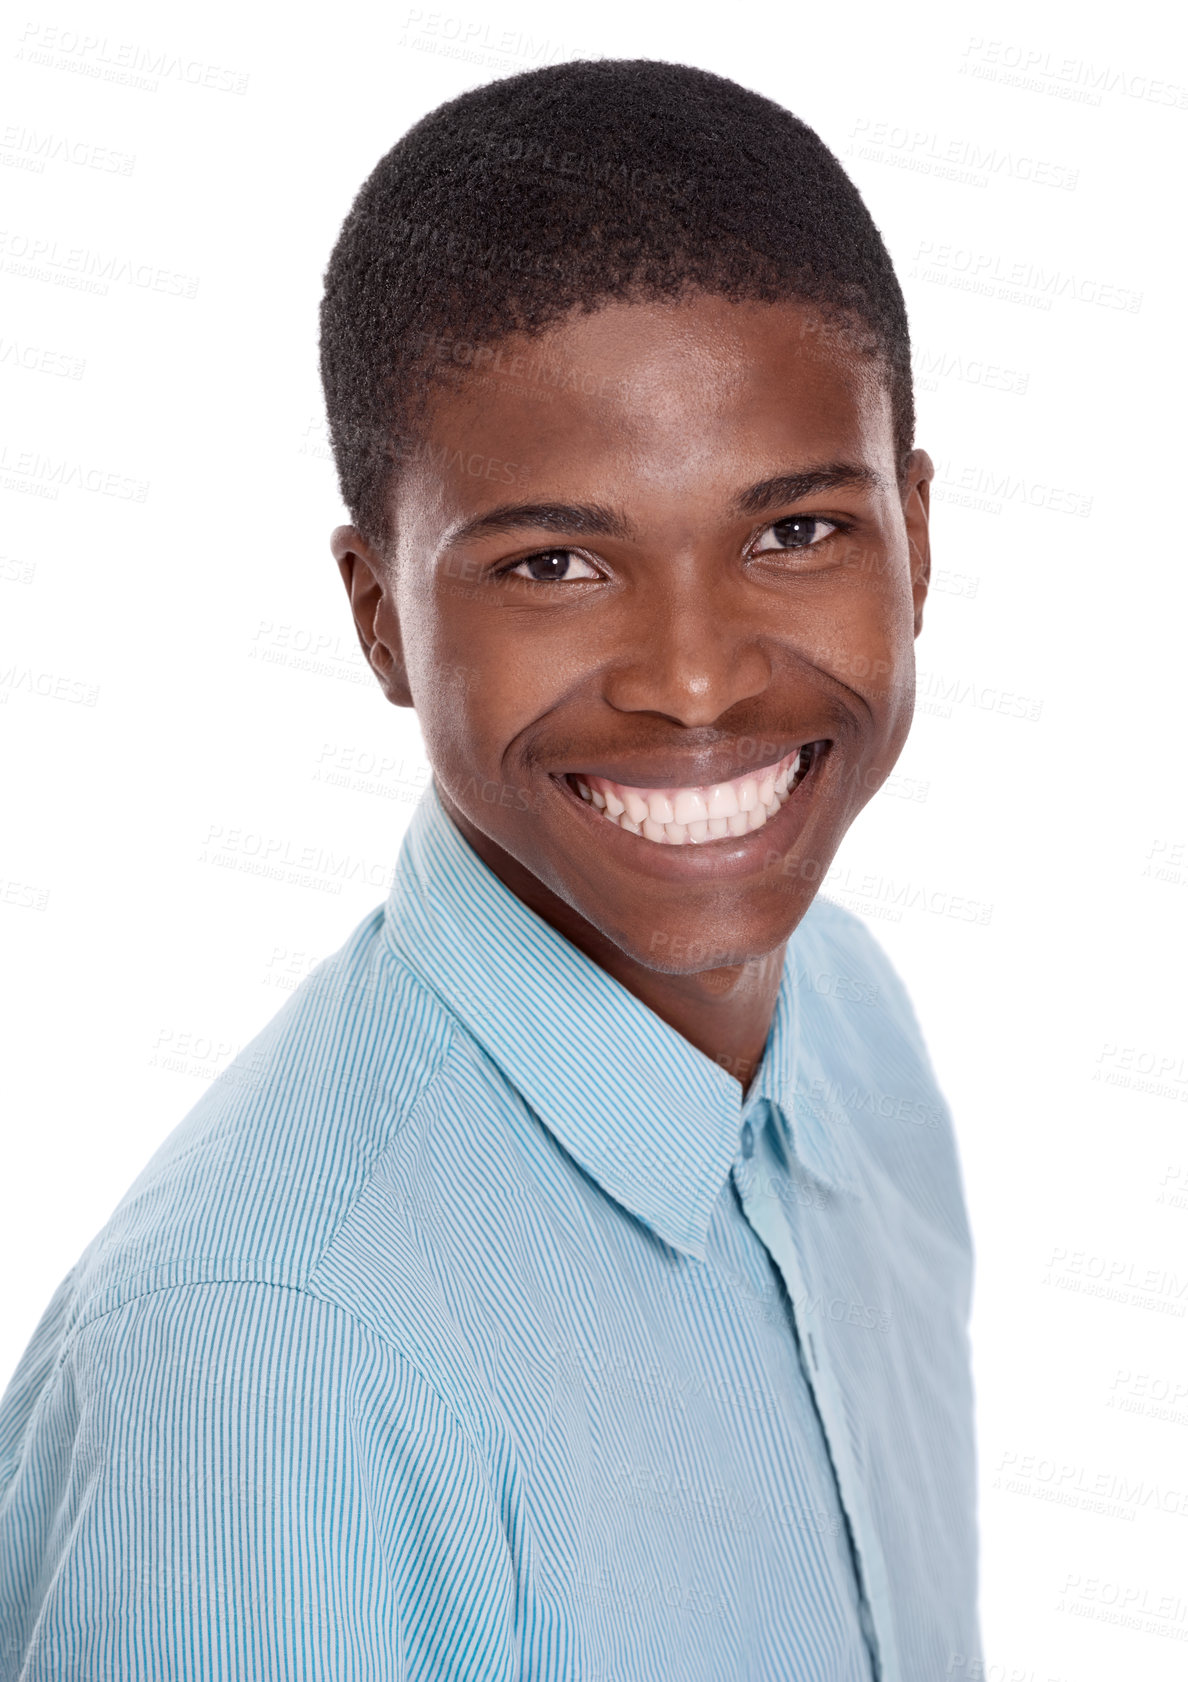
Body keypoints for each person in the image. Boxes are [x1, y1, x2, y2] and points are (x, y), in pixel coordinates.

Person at [0, 58, 981, 1681]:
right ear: (380, 613)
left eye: (794, 532)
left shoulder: (859, 1034)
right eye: (555, 563)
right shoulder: (261, 1370)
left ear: (916, 534)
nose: (696, 677)